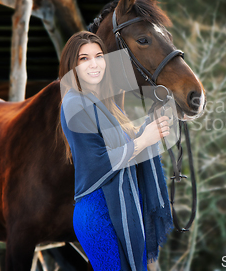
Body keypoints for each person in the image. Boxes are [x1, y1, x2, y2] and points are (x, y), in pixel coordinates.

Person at [58, 31, 173, 271]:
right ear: (72, 65)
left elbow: (126, 148)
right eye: (84, 58)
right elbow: (97, 162)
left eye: (99, 56)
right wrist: (144, 141)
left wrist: (152, 125)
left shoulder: (103, 105)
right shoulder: (73, 102)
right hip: (99, 213)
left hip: (120, 211)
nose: (94, 64)